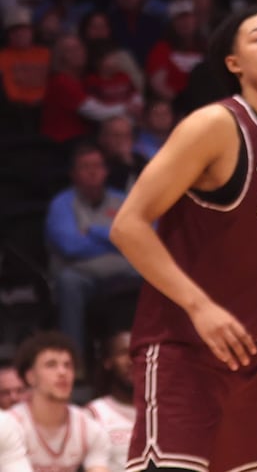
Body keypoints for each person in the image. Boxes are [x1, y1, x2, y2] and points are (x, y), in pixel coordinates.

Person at [111, 6, 257, 472]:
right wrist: (199, 305)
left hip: (249, 365)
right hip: (182, 352)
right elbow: (127, 224)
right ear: (234, 64)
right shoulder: (214, 126)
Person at [45, 144, 142, 362]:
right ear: (73, 173)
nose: (92, 171)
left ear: (106, 171)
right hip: (82, 274)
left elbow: (141, 236)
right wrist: (115, 239)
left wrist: (93, 232)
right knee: (69, 283)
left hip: (126, 272)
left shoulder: (121, 200)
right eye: (85, 167)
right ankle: (74, 360)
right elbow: (70, 246)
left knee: (155, 274)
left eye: (97, 166)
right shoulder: (61, 204)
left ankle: (150, 355)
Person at [5, 333, 110, 472]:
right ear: (30, 377)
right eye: (51, 365)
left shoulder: (90, 428)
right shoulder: (9, 424)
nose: (62, 372)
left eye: (68, 365)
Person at [85, 330, 136, 472]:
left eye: (136, 353)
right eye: (123, 353)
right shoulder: (94, 412)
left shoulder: (158, 411)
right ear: (108, 362)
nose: (131, 360)